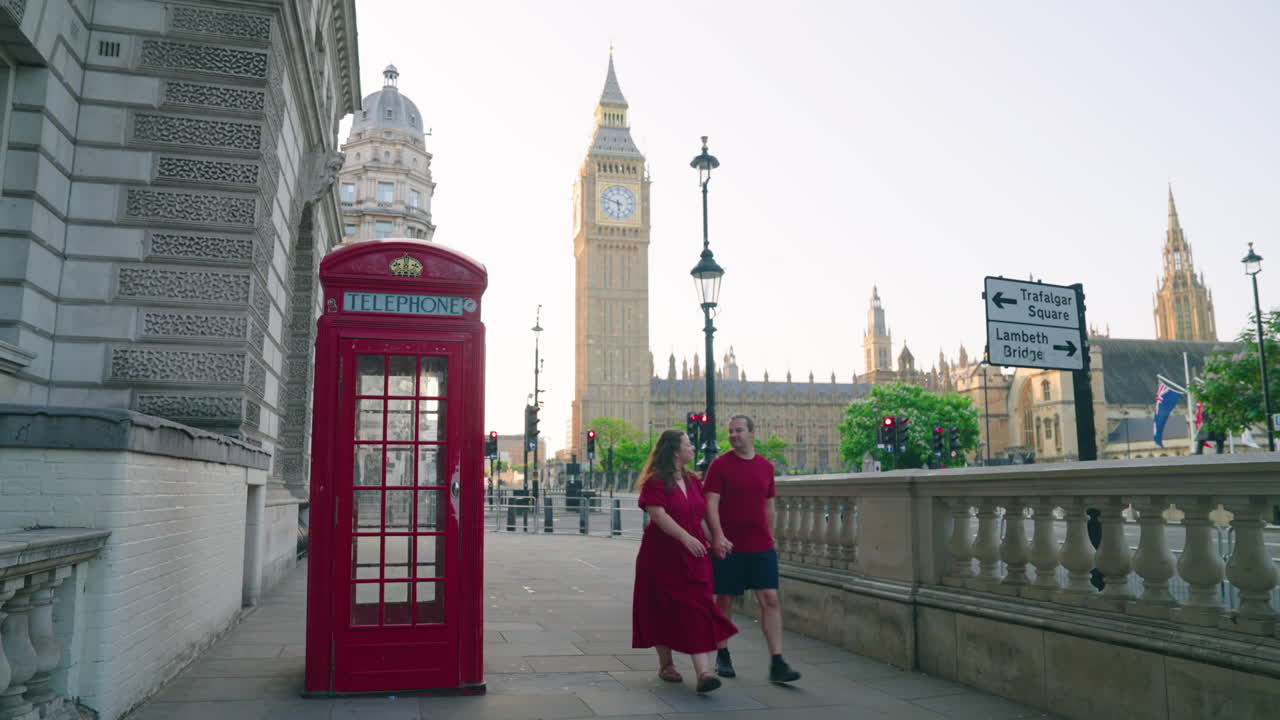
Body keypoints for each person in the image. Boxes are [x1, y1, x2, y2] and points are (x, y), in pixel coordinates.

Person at [632, 429, 738, 693]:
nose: (693, 448)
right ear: (675, 451)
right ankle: (666, 664)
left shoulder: (692, 481)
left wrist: (715, 539)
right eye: (688, 444)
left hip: (694, 555)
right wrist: (684, 538)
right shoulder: (656, 481)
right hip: (662, 556)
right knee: (662, 607)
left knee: (699, 606)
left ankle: (704, 673)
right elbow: (657, 514)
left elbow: (698, 516)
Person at [704, 415, 801, 683]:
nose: (734, 435)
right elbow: (710, 504)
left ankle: (777, 661)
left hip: (760, 545)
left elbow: (769, 506)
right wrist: (718, 536)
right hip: (729, 545)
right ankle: (722, 653)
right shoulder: (719, 465)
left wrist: (770, 538)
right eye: (731, 431)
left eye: (739, 430)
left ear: (752, 433)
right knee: (725, 599)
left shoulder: (766, 467)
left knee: (770, 598)